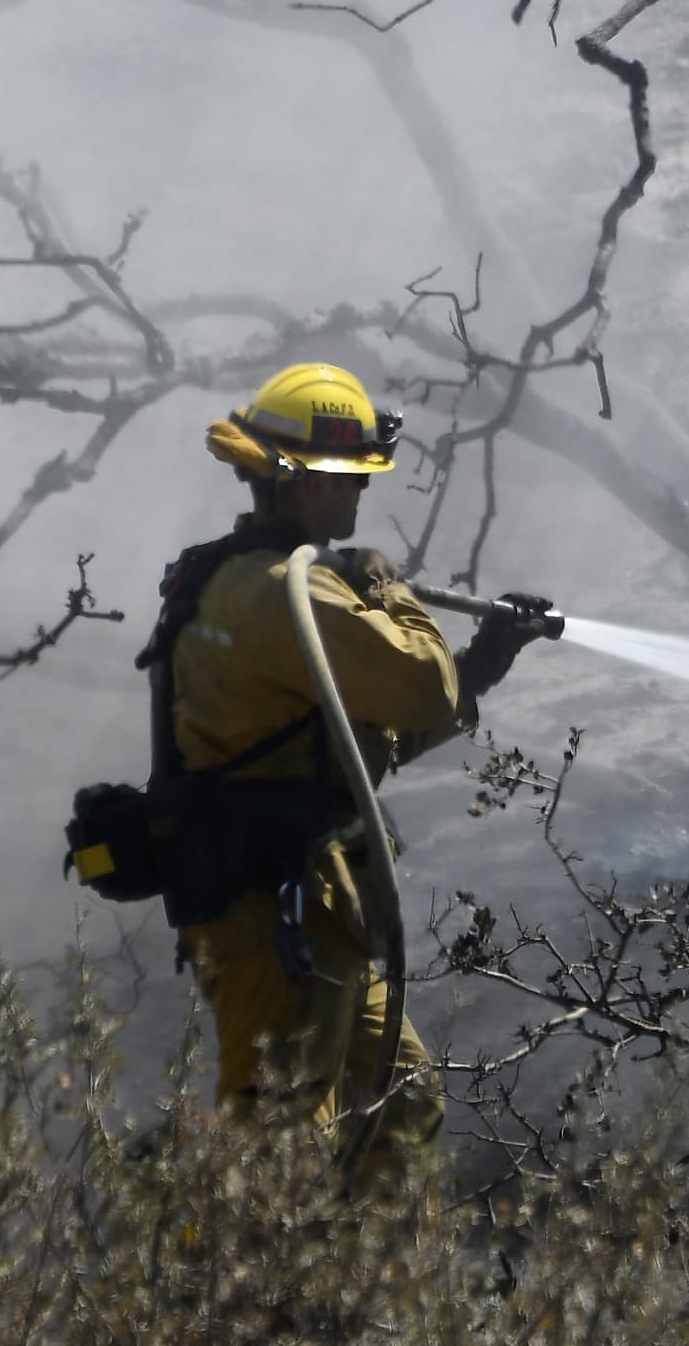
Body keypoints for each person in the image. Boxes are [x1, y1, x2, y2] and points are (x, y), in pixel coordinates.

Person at [143, 363, 551, 1177]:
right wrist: (389, 589)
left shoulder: (250, 581)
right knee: (275, 1152)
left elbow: (355, 744)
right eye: (347, 478)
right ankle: (245, 1303)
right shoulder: (283, 595)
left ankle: (362, 1299)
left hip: (314, 907)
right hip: (270, 921)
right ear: (293, 480)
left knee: (402, 1101)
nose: (360, 496)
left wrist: (485, 662)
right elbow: (418, 685)